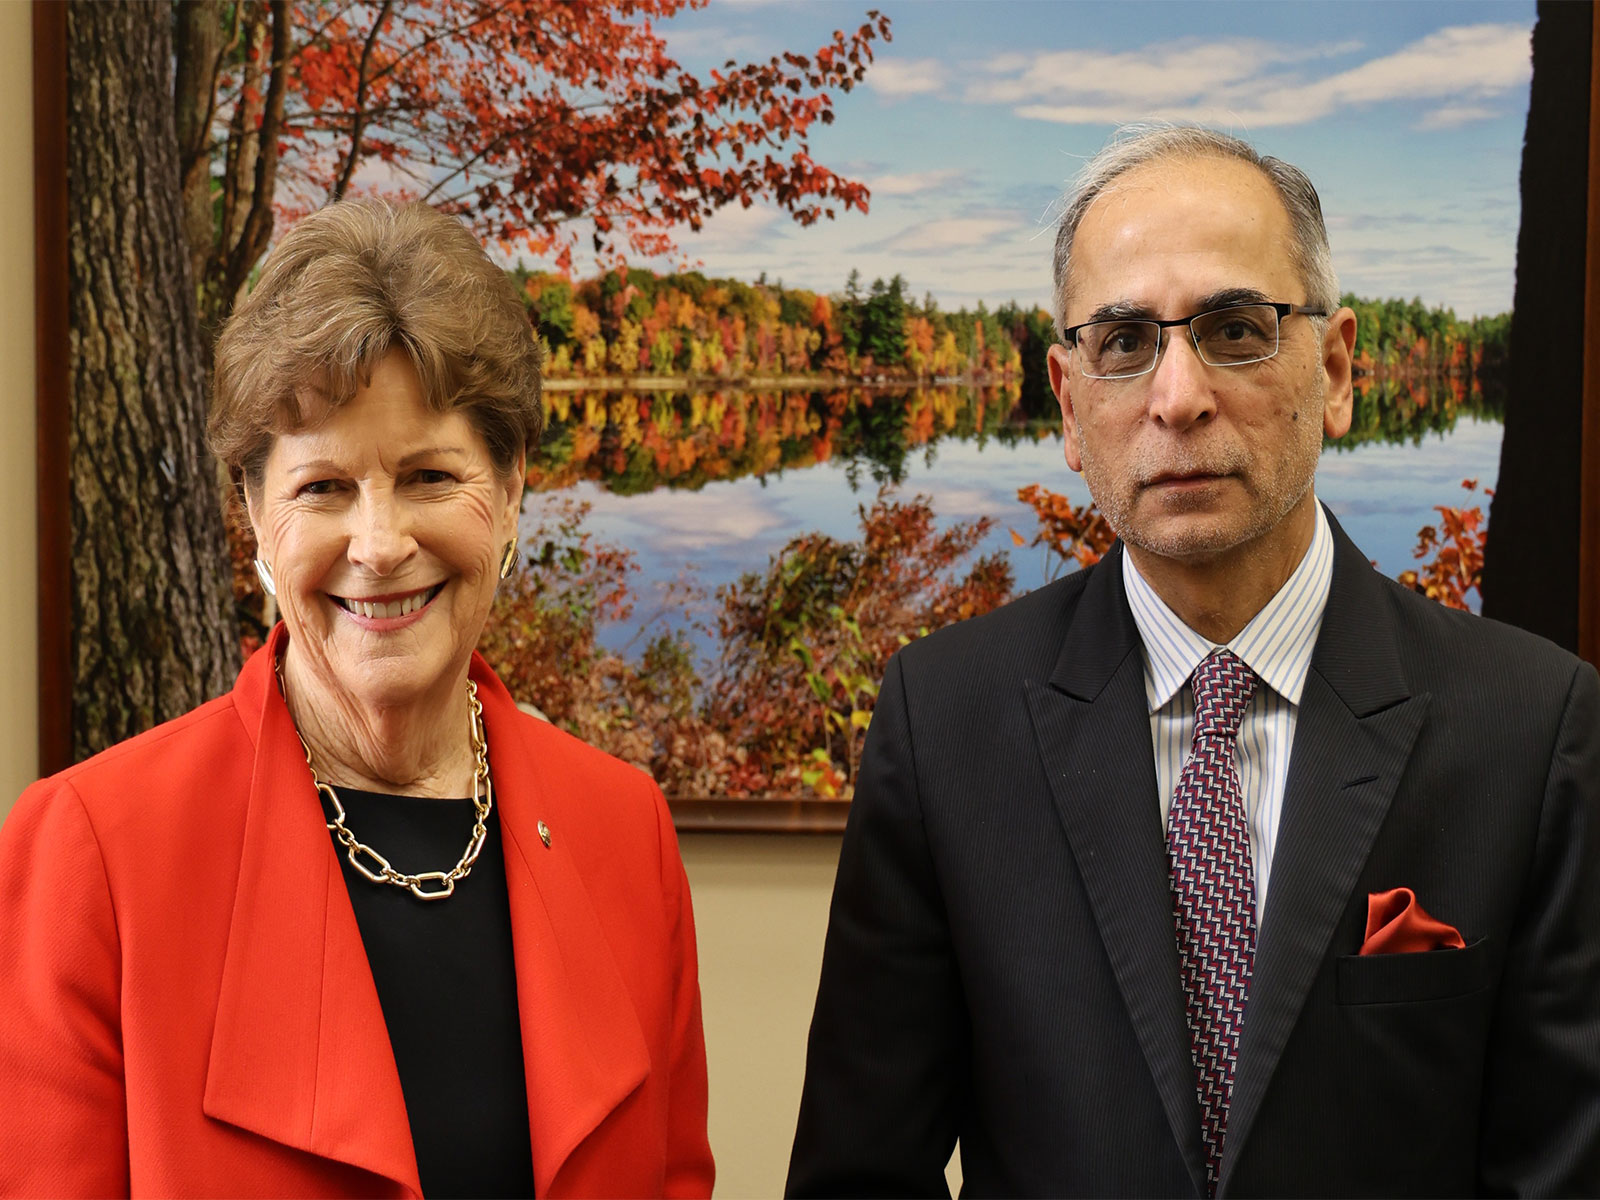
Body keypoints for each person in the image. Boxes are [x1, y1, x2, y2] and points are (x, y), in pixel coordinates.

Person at [787, 126, 1600, 1197]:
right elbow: (859, 1173)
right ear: (1070, 402)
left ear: (1336, 369)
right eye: (1124, 341)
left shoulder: (1531, 725)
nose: (1177, 397)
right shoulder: (946, 722)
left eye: (1234, 330)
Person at [0, 200, 714, 1198]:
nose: (378, 546)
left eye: (429, 476)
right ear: (254, 512)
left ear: (511, 492)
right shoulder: (94, 855)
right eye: (322, 488)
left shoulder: (623, 832)